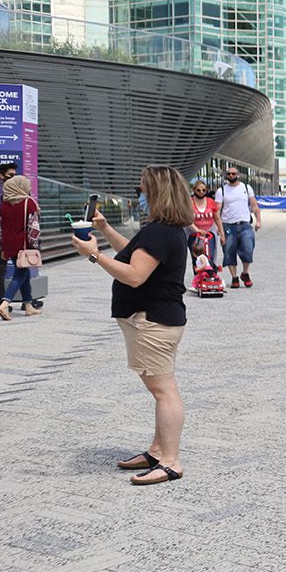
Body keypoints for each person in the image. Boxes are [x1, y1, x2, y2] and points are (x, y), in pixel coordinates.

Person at [71, 165, 193, 485]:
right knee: (160, 390)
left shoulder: (159, 231)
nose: (138, 196)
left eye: (141, 190)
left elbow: (135, 275)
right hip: (155, 319)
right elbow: (135, 255)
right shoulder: (163, 229)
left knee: (164, 391)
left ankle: (171, 461)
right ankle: (158, 450)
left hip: (151, 322)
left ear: (156, 193)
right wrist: (106, 229)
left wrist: (94, 255)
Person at [0, 174, 42, 319]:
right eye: (27, 185)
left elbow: (2, 226)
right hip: (23, 244)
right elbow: (33, 228)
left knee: (24, 272)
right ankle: (4, 304)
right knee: (20, 274)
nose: (29, 187)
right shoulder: (28, 203)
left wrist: (3, 246)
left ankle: (28, 305)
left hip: (8, 243)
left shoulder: (4, 204)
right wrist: (35, 246)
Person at [215, 167, 260, 288]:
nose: (231, 175)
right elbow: (217, 212)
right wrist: (220, 230)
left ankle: (245, 273)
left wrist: (258, 221)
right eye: (228, 174)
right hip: (228, 225)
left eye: (233, 173)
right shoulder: (221, 191)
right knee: (229, 251)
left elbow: (254, 205)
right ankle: (234, 277)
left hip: (245, 224)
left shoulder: (246, 188)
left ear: (238, 175)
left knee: (248, 249)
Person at [190, 180, 224, 266]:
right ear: (194, 190)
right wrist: (197, 230)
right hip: (194, 235)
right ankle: (199, 278)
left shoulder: (210, 201)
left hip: (209, 234)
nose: (201, 192)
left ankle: (211, 276)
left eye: (204, 190)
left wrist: (222, 234)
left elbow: (217, 218)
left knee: (210, 257)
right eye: (198, 190)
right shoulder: (189, 202)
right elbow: (187, 220)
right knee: (197, 259)